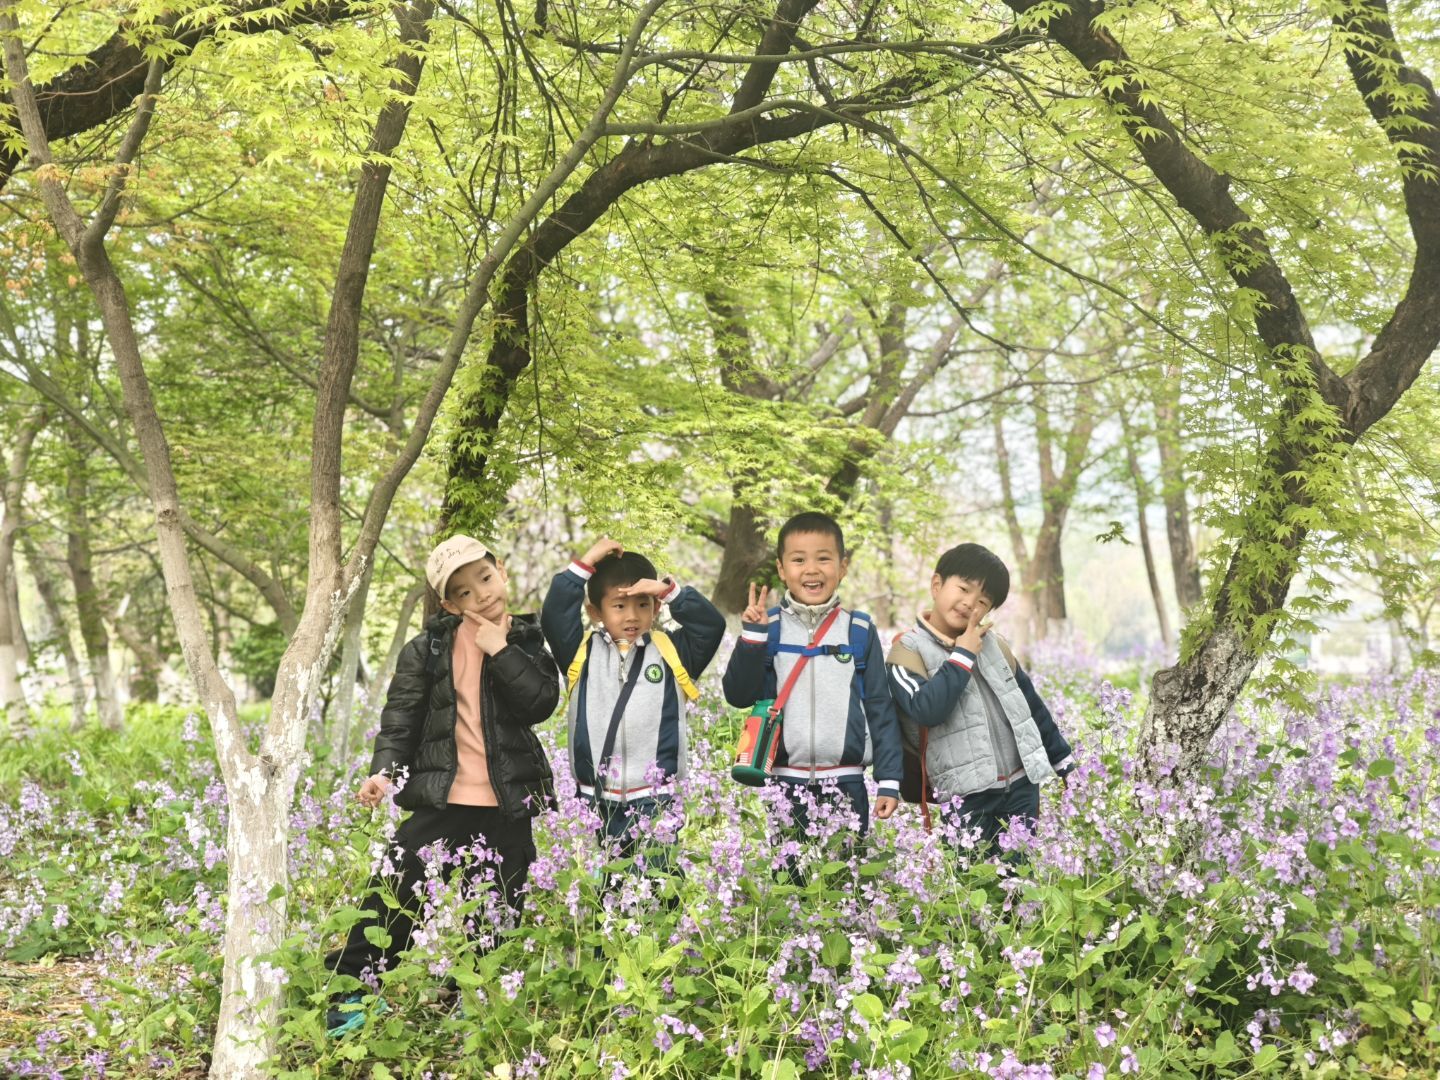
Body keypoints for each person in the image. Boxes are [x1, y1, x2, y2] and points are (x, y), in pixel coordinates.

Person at [325, 535, 559, 1037]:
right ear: (450, 605)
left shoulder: (526, 640)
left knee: (498, 905)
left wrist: (501, 651)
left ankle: (477, 998)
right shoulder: (427, 650)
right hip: (442, 798)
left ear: (501, 571)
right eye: (465, 592)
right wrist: (384, 772)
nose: (482, 594)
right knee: (395, 889)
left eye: (485, 578)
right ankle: (353, 990)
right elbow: (401, 718)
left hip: (506, 801)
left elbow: (540, 703)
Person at [541, 537, 725, 864]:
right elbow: (554, 614)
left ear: (656, 607)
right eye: (619, 606)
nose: (632, 616)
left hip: (656, 799)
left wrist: (668, 591)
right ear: (595, 612)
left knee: (657, 882)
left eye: (643, 605)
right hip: (596, 800)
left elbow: (710, 627)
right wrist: (586, 562)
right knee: (604, 887)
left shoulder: (672, 652)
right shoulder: (580, 652)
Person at [722, 511, 903, 840]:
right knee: (790, 870)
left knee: (846, 868)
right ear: (781, 569)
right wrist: (753, 637)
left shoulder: (859, 630)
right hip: (785, 783)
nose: (811, 569)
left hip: (847, 782)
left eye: (823, 558)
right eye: (798, 560)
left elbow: (880, 707)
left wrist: (889, 779)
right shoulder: (769, 627)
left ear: (842, 567)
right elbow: (738, 695)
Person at [885, 542, 1074, 852]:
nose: (969, 603)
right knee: (970, 875)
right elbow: (927, 710)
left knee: (1020, 875)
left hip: (1021, 786)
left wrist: (1064, 763)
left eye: (983, 600)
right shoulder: (906, 651)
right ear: (937, 585)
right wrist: (962, 656)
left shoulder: (995, 646)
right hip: (964, 795)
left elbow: (1031, 708)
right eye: (963, 588)